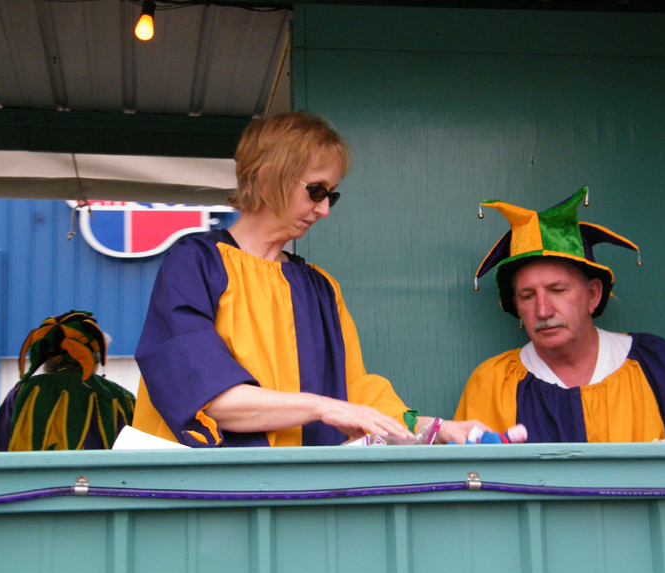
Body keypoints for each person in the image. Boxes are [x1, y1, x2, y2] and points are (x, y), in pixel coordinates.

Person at [134, 111, 483, 447]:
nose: (325, 209)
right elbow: (206, 397)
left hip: (306, 496)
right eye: (316, 191)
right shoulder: (194, 265)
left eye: (332, 194)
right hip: (215, 497)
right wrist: (322, 406)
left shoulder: (322, 288)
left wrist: (435, 428)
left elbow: (356, 393)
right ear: (268, 180)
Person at [454, 187, 665, 443]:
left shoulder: (654, 364)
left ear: (593, 295)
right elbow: (470, 476)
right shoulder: (491, 384)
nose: (543, 311)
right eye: (527, 296)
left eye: (557, 290)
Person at [0, 310, 135, 451]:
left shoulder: (23, 392)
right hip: (103, 482)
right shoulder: (121, 397)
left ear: (46, 358)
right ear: (96, 357)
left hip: (33, 482)